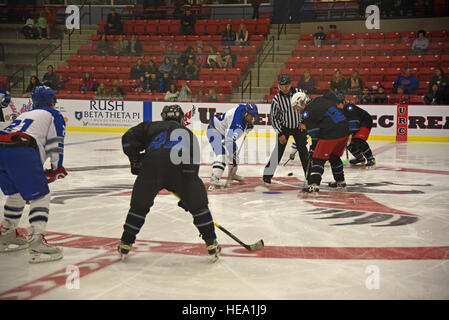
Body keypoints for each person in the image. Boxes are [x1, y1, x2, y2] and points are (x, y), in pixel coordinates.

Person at [117, 105, 221, 261]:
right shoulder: (188, 133)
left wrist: (136, 159)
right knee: (199, 207)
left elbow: (127, 140)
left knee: (139, 207)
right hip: (179, 169)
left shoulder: (150, 126)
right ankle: (211, 241)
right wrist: (189, 196)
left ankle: (126, 242)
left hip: (151, 166)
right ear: (181, 119)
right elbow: (193, 165)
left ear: (163, 116)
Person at [0, 86, 67, 263]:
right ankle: (37, 241)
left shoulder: (24, 115)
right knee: (41, 196)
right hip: (20, 149)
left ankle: (6, 234)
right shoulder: (53, 115)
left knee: (16, 195)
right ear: (53, 101)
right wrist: (56, 168)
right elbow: (55, 143)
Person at [291, 91, 349, 193]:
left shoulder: (307, 112)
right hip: (344, 130)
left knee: (318, 159)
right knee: (334, 157)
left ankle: (314, 184)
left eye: (296, 106)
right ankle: (340, 181)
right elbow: (331, 95)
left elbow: (314, 133)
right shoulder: (319, 99)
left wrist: (314, 147)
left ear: (301, 102)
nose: (296, 109)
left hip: (331, 133)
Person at [262, 75, 309, 186]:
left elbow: (308, 107)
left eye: (286, 86)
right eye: (282, 86)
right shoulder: (276, 99)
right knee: (277, 152)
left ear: (290, 84)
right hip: (285, 128)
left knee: (304, 152)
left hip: (299, 127)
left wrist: (305, 122)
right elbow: (274, 118)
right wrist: (280, 133)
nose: (284, 88)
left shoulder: (300, 93)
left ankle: (309, 176)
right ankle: (267, 176)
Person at [207, 103, 258, 188]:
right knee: (222, 154)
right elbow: (229, 141)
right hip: (214, 130)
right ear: (245, 114)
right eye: (251, 116)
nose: (252, 119)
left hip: (222, 131)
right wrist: (233, 157)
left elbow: (240, 106)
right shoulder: (237, 124)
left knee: (234, 152)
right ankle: (214, 178)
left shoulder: (243, 109)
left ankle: (232, 175)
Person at [337, 101, 376, 169]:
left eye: (338, 103)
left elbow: (354, 121)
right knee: (348, 143)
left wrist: (351, 132)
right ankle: (360, 158)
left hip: (365, 122)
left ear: (343, 102)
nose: (337, 105)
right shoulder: (339, 110)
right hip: (356, 124)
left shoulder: (350, 108)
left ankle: (370, 159)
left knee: (358, 139)